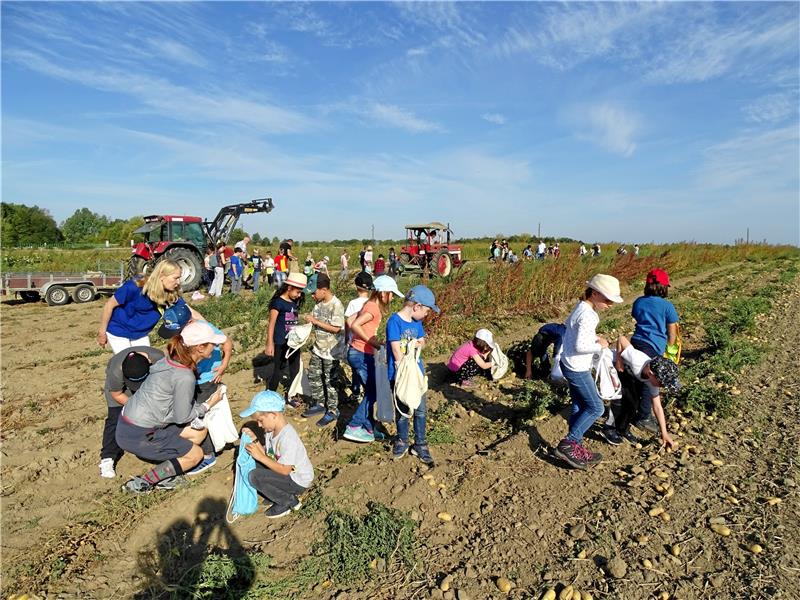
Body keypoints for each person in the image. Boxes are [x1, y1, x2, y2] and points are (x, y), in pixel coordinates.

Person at [116, 321, 227, 494]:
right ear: (200, 348)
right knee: (196, 455)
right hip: (138, 434)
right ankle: (146, 482)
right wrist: (208, 404)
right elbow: (182, 417)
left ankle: (172, 463)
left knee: (199, 433)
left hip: (128, 423)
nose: (216, 347)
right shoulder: (184, 376)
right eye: (212, 343)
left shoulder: (168, 361)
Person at [552, 274, 623, 470]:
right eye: (608, 300)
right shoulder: (589, 315)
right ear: (594, 293)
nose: (610, 304)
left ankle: (575, 446)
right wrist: (601, 345)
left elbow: (571, 331)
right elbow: (581, 346)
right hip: (577, 368)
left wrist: (593, 337)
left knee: (579, 405)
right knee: (596, 408)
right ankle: (569, 443)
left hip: (568, 363)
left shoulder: (581, 307)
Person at [157, 303, 233, 475]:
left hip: (205, 380)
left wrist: (223, 365)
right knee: (196, 414)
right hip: (192, 380)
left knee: (199, 416)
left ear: (189, 322)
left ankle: (207, 455)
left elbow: (227, 341)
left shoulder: (204, 330)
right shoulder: (185, 335)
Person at [343, 275, 404, 443]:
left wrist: (373, 339)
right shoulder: (373, 308)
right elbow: (355, 325)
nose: (392, 298)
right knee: (374, 391)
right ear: (383, 293)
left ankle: (368, 426)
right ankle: (354, 426)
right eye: (392, 294)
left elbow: (349, 319)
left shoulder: (368, 304)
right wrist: (371, 341)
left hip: (357, 352)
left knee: (370, 390)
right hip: (361, 354)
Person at [240, 391, 314, 519]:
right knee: (255, 463)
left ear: (273, 415)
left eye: (260, 421)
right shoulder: (270, 431)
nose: (259, 425)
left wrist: (260, 457)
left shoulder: (288, 438)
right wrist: (254, 439)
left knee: (254, 476)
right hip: (285, 474)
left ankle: (288, 501)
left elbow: (285, 470)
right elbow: (269, 455)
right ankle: (275, 493)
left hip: (297, 481)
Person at [97, 259, 197, 353]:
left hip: (141, 333)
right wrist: (102, 332)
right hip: (119, 330)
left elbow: (189, 311)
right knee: (127, 361)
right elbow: (109, 305)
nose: (178, 282)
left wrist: (205, 329)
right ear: (162, 276)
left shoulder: (170, 292)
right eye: (176, 278)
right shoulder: (134, 287)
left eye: (179, 278)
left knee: (144, 361)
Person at [600, 335, 680, 449]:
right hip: (610, 363)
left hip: (626, 372)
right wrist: (619, 359)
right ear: (651, 373)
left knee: (634, 402)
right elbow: (621, 338)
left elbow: (657, 406)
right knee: (619, 399)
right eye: (661, 384)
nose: (661, 387)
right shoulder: (637, 360)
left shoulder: (653, 380)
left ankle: (622, 428)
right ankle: (609, 428)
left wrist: (664, 433)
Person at [388, 285, 439, 465]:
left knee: (420, 410)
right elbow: (396, 349)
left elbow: (423, 341)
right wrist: (404, 370)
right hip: (401, 375)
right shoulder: (394, 321)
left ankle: (420, 443)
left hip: (417, 374)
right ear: (417, 306)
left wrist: (418, 343)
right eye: (426, 311)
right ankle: (402, 440)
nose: (426, 315)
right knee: (403, 409)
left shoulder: (417, 323)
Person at [100, 346, 164, 478]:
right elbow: (117, 394)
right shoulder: (116, 372)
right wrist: (138, 407)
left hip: (152, 382)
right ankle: (107, 458)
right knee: (115, 418)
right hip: (122, 390)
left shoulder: (159, 359)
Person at [630, 268, 680, 433]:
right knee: (649, 381)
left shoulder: (638, 302)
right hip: (653, 346)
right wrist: (670, 350)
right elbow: (672, 331)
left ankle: (635, 409)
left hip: (636, 342)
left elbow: (636, 317)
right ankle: (644, 416)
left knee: (636, 376)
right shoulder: (667, 306)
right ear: (664, 287)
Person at [297, 274, 346, 427]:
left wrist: (315, 321)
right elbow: (314, 318)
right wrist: (309, 319)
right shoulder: (318, 304)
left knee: (330, 381)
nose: (312, 296)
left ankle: (332, 410)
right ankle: (319, 403)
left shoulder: (336, 305)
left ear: (324, 290)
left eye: (314, 292)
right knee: (314, 375)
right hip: (319, 348)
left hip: (332, 351)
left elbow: (336, 328)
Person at [265, 273, 307, 397]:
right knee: (279, 369)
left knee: (295, 368)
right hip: (281, 342)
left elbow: (292, 322)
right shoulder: (278, 303)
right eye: (297, 292)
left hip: (293, 342)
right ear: (289, 288)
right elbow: (271, 324)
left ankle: (293, 394)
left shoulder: (294, 302)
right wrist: (270, 343)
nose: (299, 295)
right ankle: (270, 394)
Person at [344, 272, 374, 400]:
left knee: (356, 368)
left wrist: (346, 337)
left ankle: (356, 391)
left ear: (356, 286)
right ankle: (366, 391)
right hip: (369, 341)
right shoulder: (372, 303)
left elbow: (348, 322)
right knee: (366, 367)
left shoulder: (353, 303)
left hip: (355, 341)